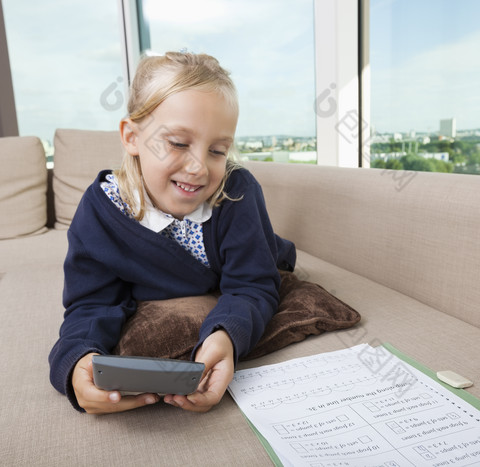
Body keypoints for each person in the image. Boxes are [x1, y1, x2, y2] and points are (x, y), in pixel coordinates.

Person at [48, 51, 296, 414]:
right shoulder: (100, 212)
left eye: (217, 150)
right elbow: (90, 303)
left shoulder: (237, 192)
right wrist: (77, 362)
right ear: (132, 137)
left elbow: (251, 285)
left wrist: (226, 335)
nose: (199, 167)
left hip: (261, 251)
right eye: (178, 143)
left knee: (274, 260)